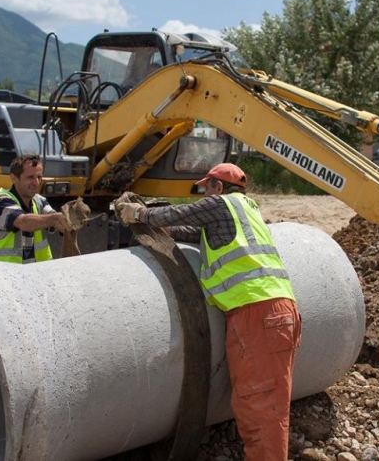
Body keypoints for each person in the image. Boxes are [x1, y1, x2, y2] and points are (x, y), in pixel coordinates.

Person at [116, 162, 302, 460]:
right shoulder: (244, 211)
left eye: (207, 187)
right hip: (270, 311)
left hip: (257, 313)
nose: (204, 193)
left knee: (260, 409)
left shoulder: (221, 204)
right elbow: (191, 231)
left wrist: (140, 213)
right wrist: (163, 228)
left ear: (218, 186)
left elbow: (180, 213)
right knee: (261, 405)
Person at [0, 154, 69, 263]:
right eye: (30, 177)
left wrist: (67, 221)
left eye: (39, 177)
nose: (36, 183)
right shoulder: (3, 201)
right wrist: (54, 219)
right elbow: (23, 222)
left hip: (30, 274)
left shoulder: (39, 201)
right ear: (14, 178)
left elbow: (58, 221)